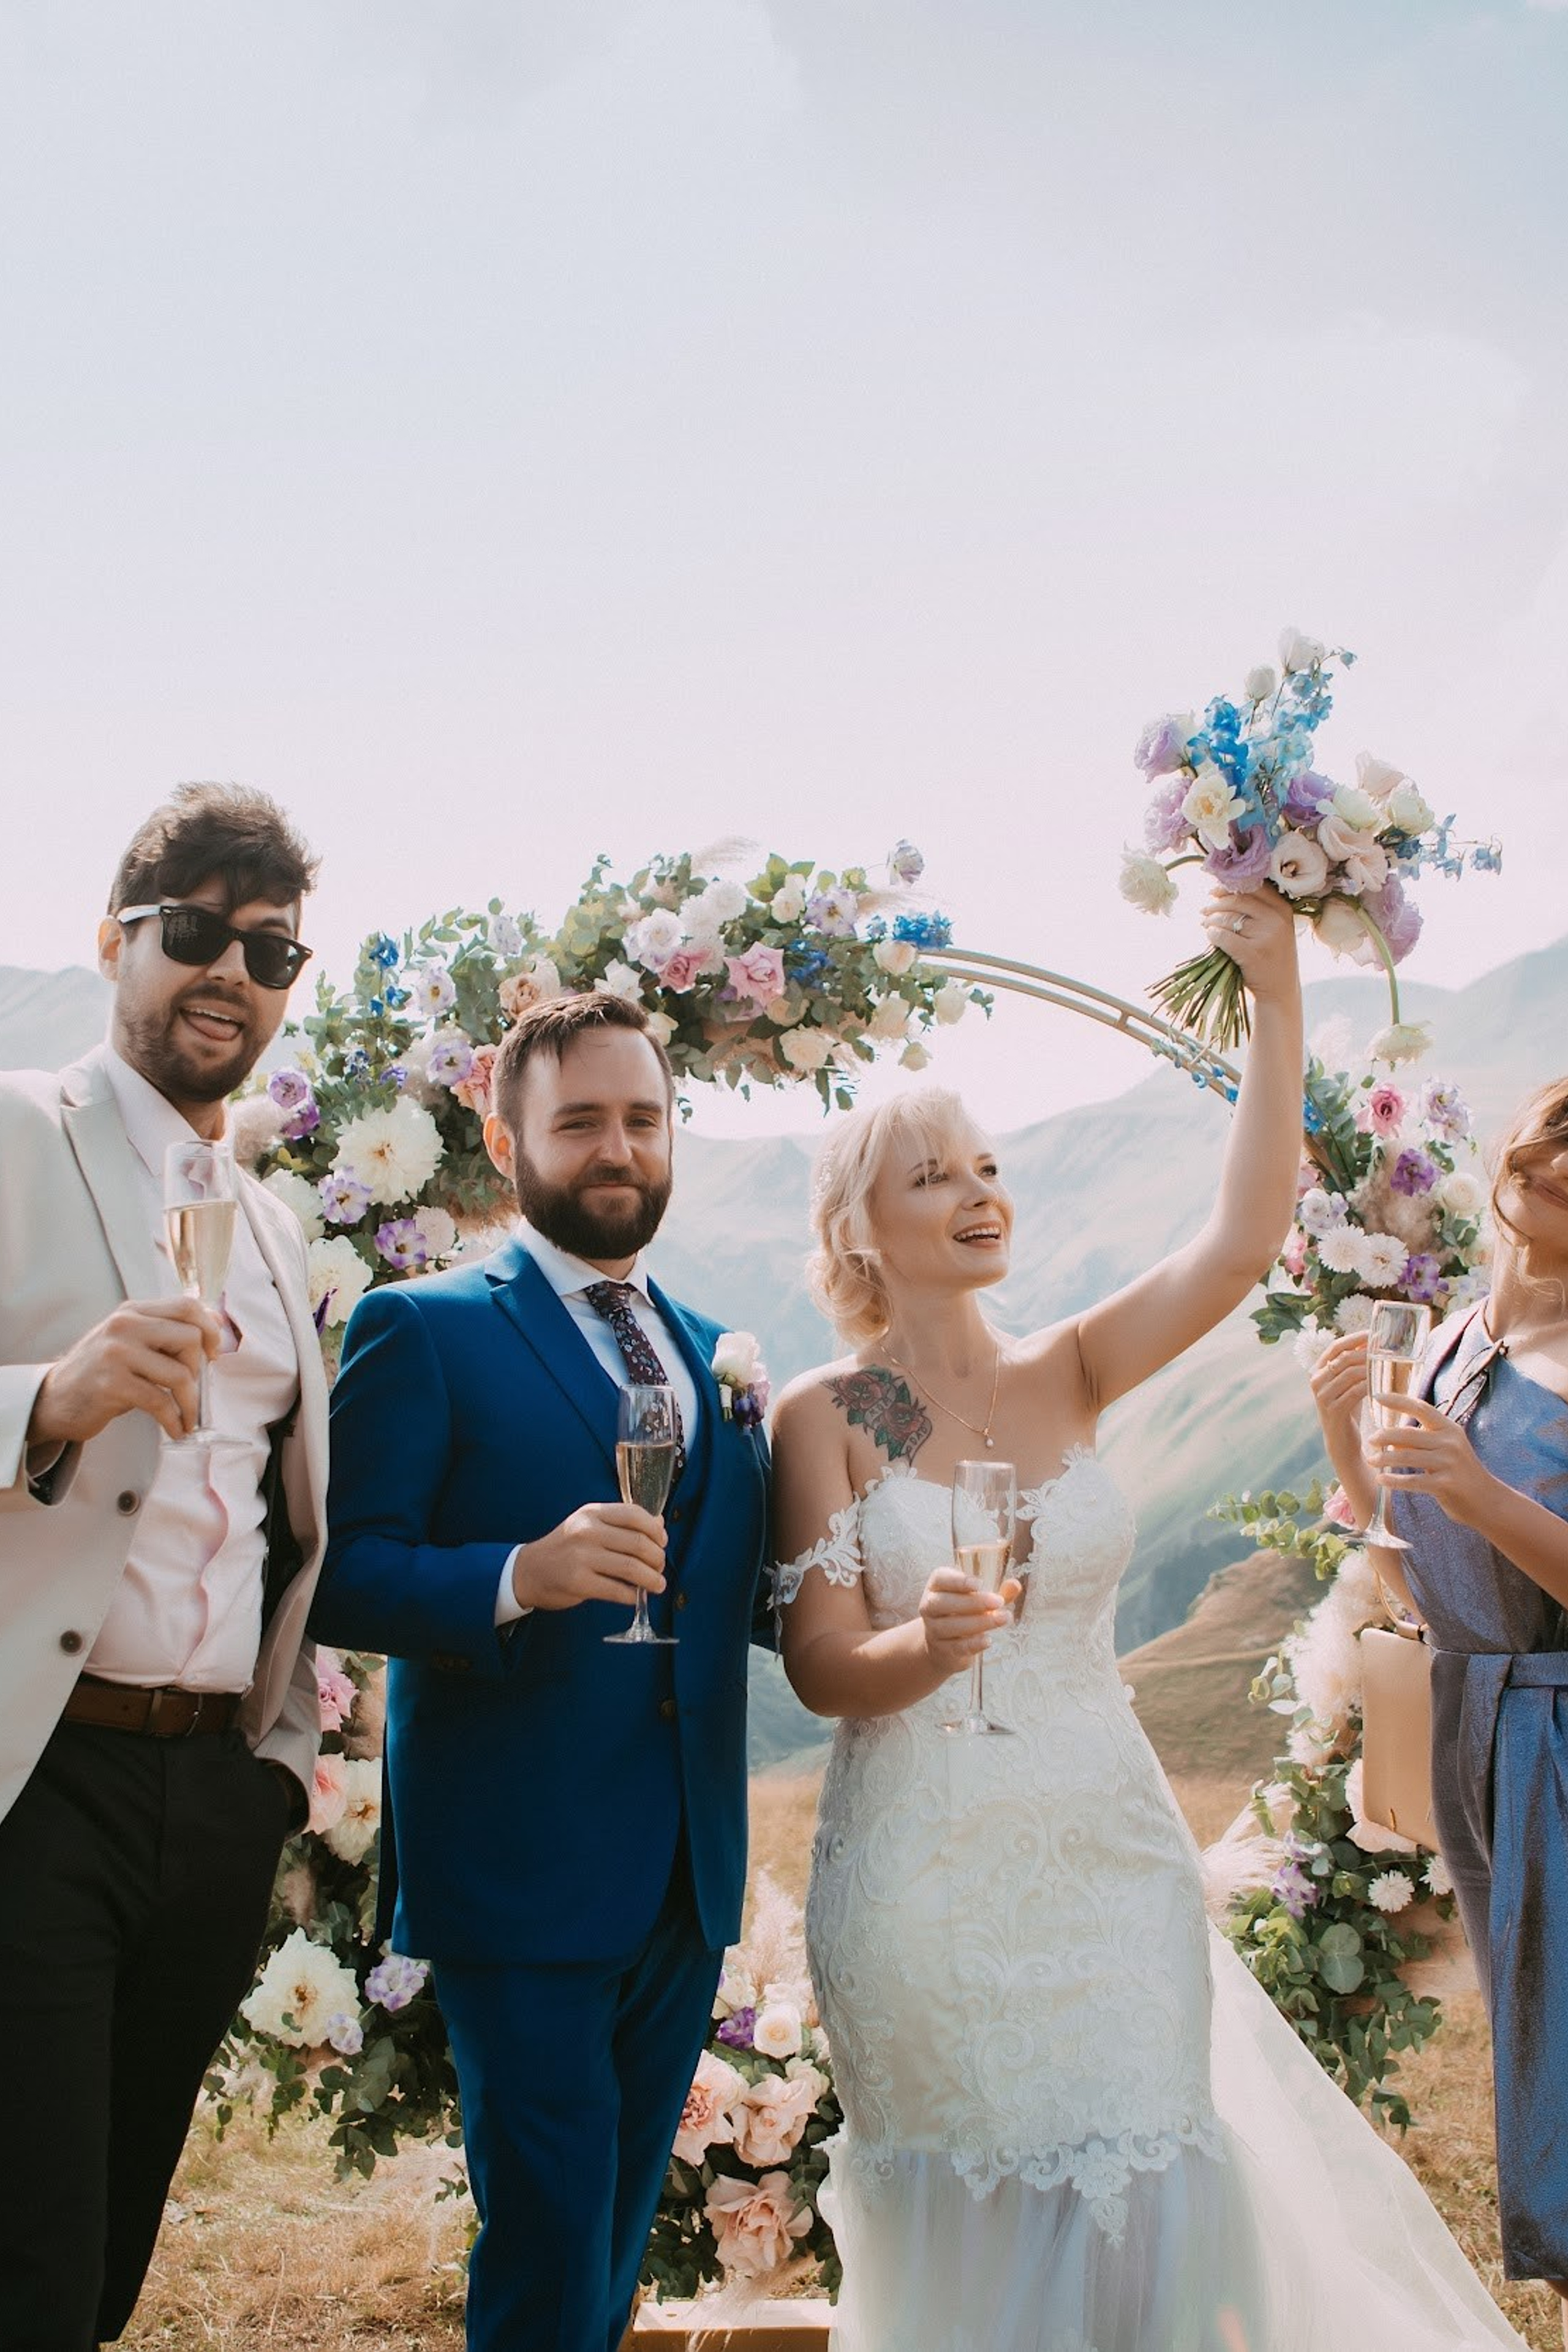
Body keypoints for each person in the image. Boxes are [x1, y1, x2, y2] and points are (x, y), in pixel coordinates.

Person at [772, 884, 1529, 2352]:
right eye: (931, 1177)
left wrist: (1273, 986)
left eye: (987, 1166)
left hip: (1114, 1874)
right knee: (971, 2238)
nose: (978, 1191)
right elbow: (816, 1666)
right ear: (856, 1228)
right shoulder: (841, 1410)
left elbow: (1242, 1238)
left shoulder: (1064, 1371)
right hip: (922, 1890)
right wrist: (916, 1649)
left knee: (1149, 2200)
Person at [310, 989, 771, 2352]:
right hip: (516, 1871)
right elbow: (339, 1574)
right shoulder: (425, 1330)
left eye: (643, 1118)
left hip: (686, 1881)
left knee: (612, 2238)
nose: (617, 1147)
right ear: (508, 1147)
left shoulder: (712, 1355)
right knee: (547, 2232)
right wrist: (518, 1575)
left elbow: (736, 1582)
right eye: (580, 1123)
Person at [0, 784, 329, 2352]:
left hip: (210, 1803)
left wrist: (271, 1767)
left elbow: (284, 1518)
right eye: (191, 933)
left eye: (267, 950)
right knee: (33, 2254)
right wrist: (45, 1404)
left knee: (113, 2245)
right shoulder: (10, 1132)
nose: (228, 973)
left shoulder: (269, 1228)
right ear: (114, 942)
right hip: (36, 1782)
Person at [1313, 1076, 1568, 2339]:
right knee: (1539, 2074)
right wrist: (1346, 1458)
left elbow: (1482, 1518)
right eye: (1559, 1126)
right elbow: (1402, 1578)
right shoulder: (1456, 1332)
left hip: (1561, 1739)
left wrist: (1471, 1491)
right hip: (1476, 1726)